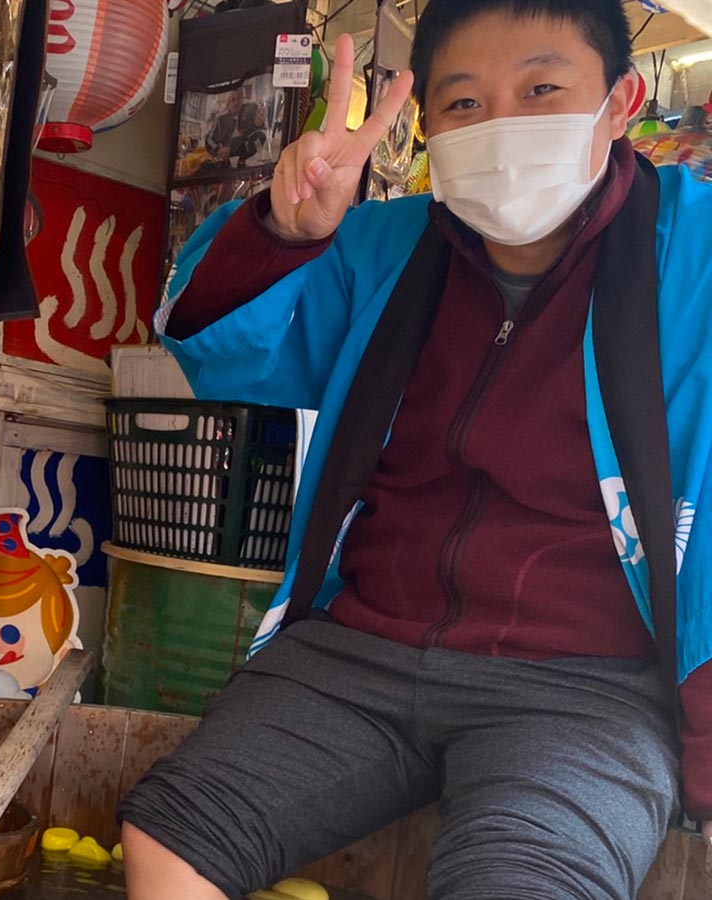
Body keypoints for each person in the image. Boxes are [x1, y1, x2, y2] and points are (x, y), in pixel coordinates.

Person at [119, 2, 712, 898]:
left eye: (542, 90)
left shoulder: (696, 255)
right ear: (428, 125)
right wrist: (284, 231)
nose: (502, 125)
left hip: (588, 691)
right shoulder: (381, 245)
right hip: (362, 648)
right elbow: (226, 350)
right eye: (465, 102)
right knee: (173, 834)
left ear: (622, 100)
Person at [206, 87, 268, 164]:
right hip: (225, 155)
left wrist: (257, 124)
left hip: (243, 152)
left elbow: (260, 130)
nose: (236, 103)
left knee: (261, 136)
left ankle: (244, 160)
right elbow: (209, 140)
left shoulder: (250, 112)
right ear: (228, 103)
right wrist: (217, 149)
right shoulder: (221, 120)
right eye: (233, 100)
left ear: (242, 99)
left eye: (239, 98)